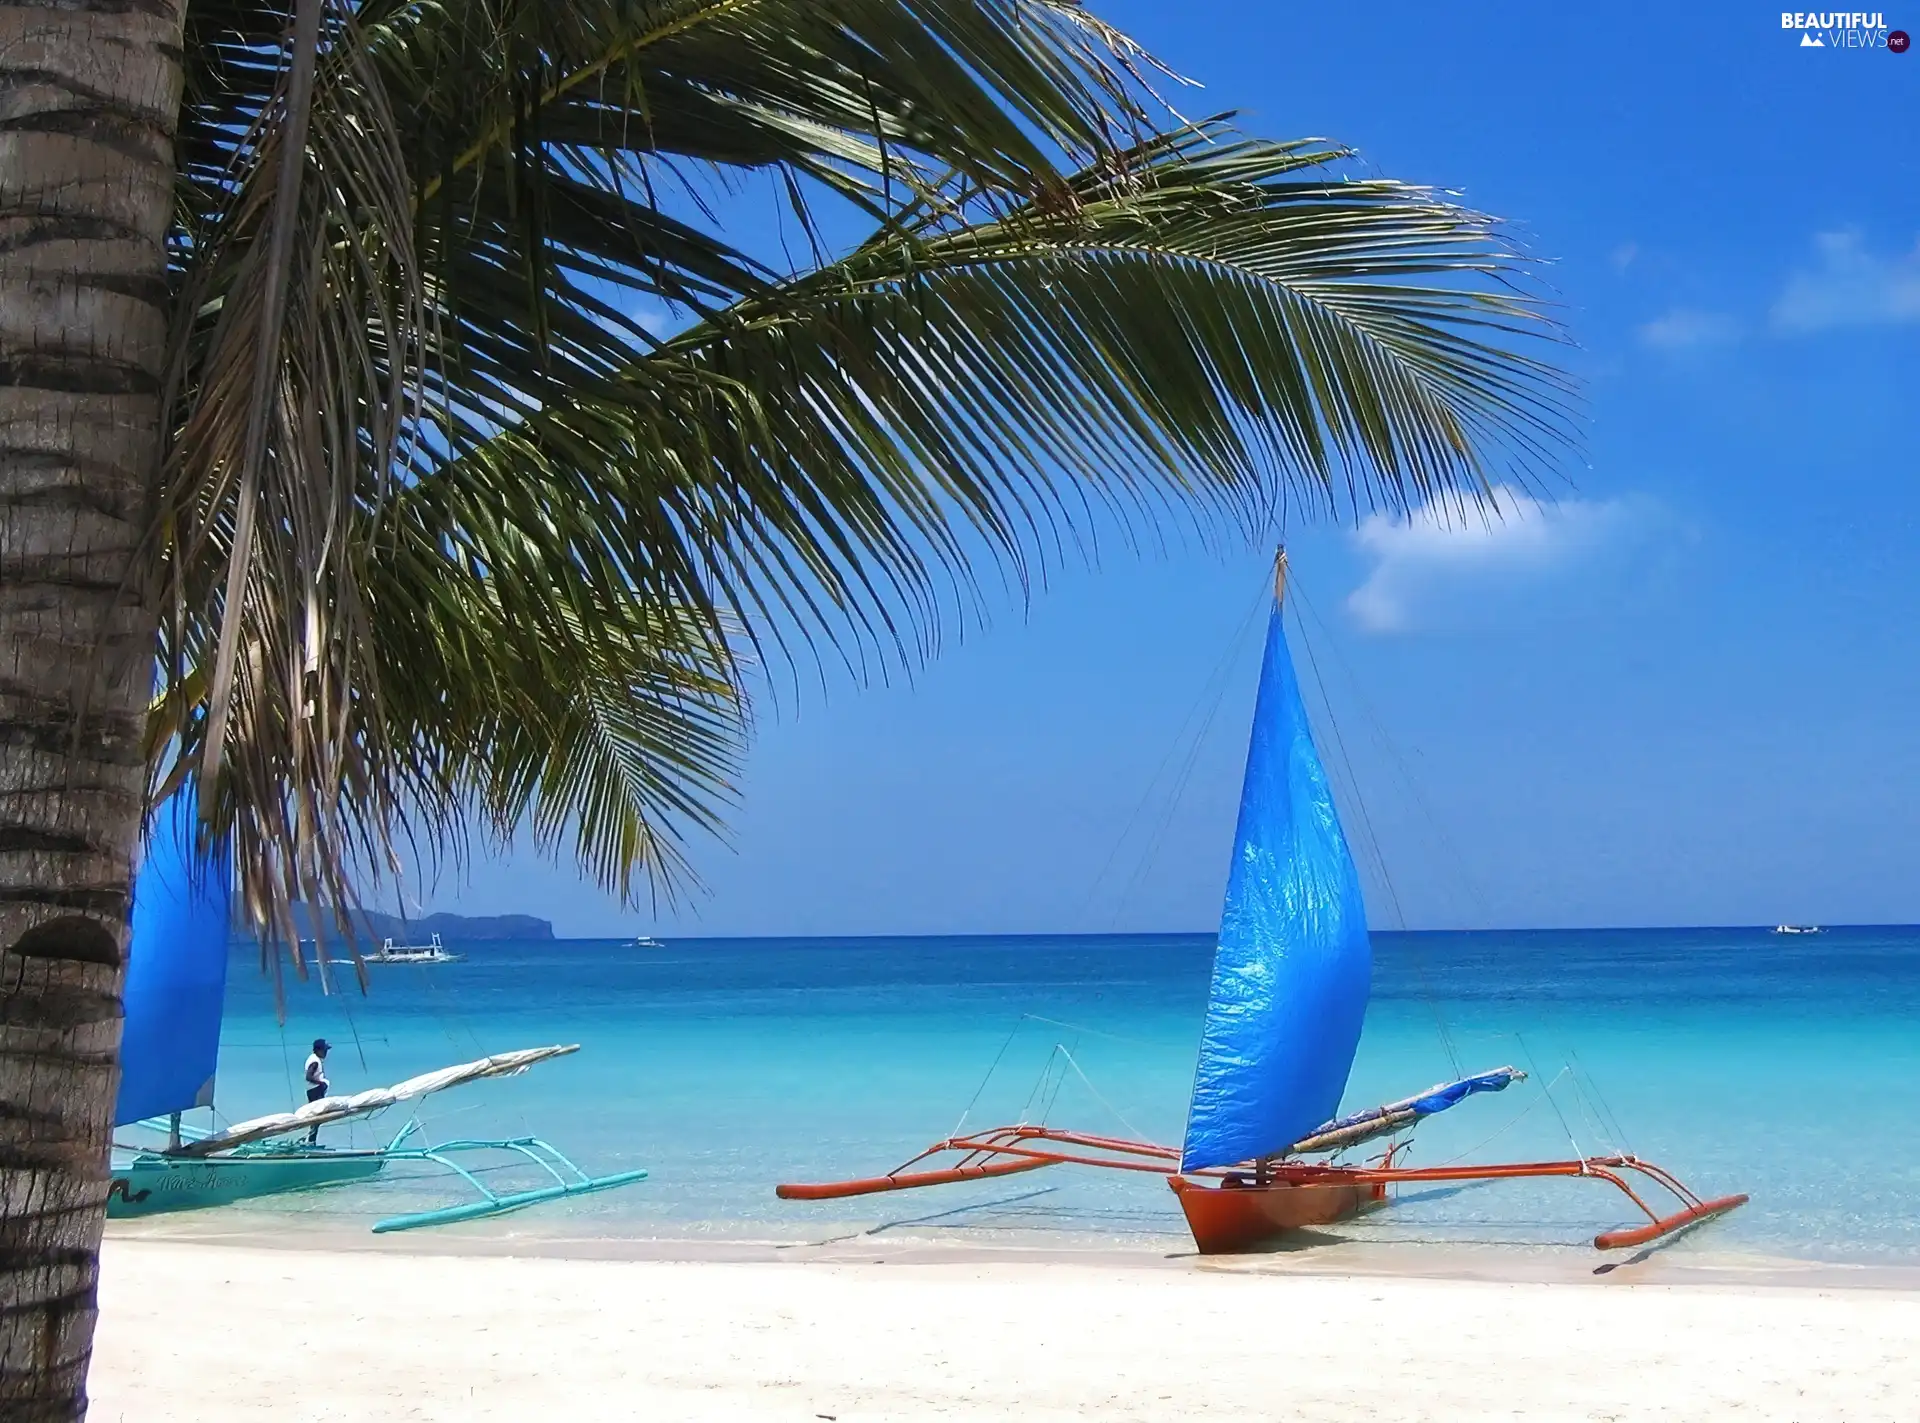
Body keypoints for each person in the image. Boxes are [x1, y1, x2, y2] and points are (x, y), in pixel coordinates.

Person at [303, 1038, 331, 1144]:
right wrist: (321, 1083)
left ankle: (312, 1140)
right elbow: (308, 1077)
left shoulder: (314, 1059)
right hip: (315, 1091)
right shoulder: (314, 1061)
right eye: (325, 1050)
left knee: (317, 1117)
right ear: (319, 1050)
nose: (326, 1053)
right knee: (317, 1117)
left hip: (314, 1090)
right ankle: (311, 1141)